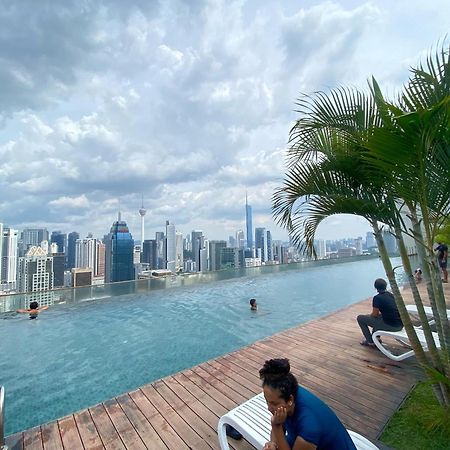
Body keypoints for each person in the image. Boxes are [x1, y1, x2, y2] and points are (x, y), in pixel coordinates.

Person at [260, 358, 356, 450]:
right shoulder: (288, 393)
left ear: (290, 400)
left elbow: (277, 427)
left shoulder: (310, 426)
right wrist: (272, 444)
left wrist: (276, 425)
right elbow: (278, 431)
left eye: (274, 403)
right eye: (267, 401)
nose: (269, 408)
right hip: (302, 440)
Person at [357, 278, 403, 348]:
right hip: (400, 323)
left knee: (360, 318)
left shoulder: (377, 298)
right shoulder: (391, 295)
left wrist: (370, 316)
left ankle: (370, 341)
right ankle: (376, 338)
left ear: (375, 287)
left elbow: (374, 315)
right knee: (378, 317)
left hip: (392, 326)